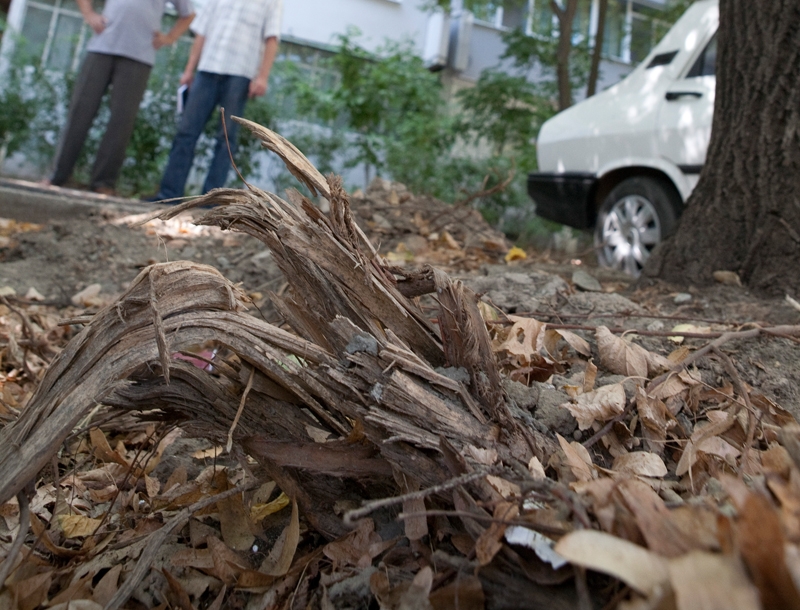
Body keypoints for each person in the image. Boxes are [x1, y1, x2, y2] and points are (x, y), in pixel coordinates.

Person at [48, 0, 194, 195]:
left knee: (121, 121)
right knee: (80, 112)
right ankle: (56, 176)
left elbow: (188, 14)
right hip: (102, 46)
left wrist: (170, 37)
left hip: (139, 56)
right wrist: (89, 14)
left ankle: (103, 183)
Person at [150, 0, 282, 201]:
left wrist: (262, 77)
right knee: (186, 132)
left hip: (240, 74)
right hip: (207, 69)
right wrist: (188, 70)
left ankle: (211, 202)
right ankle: (169, 194)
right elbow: (201, 33)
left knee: (226, 140)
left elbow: (271, 39)